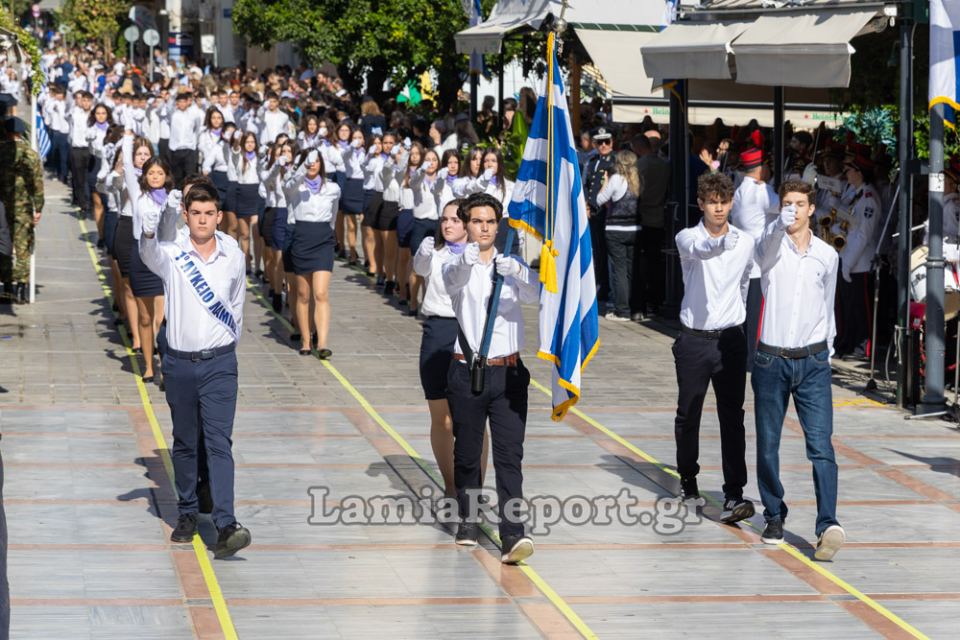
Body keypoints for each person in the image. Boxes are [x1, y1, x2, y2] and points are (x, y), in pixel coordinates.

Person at [139, 181, 252, 559]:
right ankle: (187, 512)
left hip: (220, 362)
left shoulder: (233, 255)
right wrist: (150, 227)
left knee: (220, 443)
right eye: (196, 213)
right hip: (180, 363)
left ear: (219, 217)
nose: (203, 220)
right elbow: (147, 253)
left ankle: (226, 522)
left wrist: (226, 344)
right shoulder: (173, 254)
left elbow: (237, 302)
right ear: (186, 216)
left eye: (209, 213)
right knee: (186, 441)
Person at [442, 192, 538, 564]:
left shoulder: (510, 264)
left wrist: (517, 272)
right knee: (467, 452)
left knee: (510, 455)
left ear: (499, 225)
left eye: (490, 221)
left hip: (509, 372)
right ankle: (468, 517)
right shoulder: (456, 263)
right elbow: (453, 280)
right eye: (477, 221)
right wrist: (468, 259)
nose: (484, 228)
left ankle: (513, 532)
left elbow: (535, 295)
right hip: (467, 370)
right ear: (466, 224)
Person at [752, 180, 845, 561]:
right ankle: (774, 514)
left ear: (811, 209)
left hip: (813, 361)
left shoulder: (826, 255)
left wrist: (827, 350)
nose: (792, 209)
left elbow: (828, 304)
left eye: (799, 203)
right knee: (768, 442)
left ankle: (828, 525)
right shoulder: (771, 247)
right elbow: (762, 252)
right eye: (786, 203)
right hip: (771, 359)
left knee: (821, 445)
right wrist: (777, 223)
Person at [672, 172, 755, 524]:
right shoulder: (688, 237)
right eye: (712, 202)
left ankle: (734, 492)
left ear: (731, 202)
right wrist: (719, 243)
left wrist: (739, 317)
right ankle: (688, 479)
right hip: (695, 338)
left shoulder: (745, 241)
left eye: (724, 201)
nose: (718, 208)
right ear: (701, 204)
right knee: (688, 412)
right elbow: (700, 250)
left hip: (730, 338)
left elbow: (746, 280)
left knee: (732, 416)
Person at [413, 200, 489, 497]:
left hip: (470, 333)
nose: (448, 225)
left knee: (473, 418)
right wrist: (423, 251)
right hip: (438, 331)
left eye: (455, 220)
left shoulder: (481, 256)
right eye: (444, 219)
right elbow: (419, 268)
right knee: (442, 418)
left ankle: (475, 486)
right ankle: (450, 483)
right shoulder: (434, 252)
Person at [284, 148, 341, 358]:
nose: (313, 165)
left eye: (316, 161)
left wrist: (330, 232)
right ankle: (306, 340)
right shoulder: (295, 186)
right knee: (303, 294)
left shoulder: (333, 188)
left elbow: (334, 212)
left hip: (323, 238)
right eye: (309, 162)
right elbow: (287, 186)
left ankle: (323, 341)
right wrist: (302, 166)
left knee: (321, 293)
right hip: (302, 237)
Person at [729, 134, 779, 369]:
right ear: (760, 168)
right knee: (756, 317)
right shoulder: (761, 191)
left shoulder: (741, 190)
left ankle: (744, 357)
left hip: (746, 260)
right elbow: (785, 206)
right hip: (760, 262)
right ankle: (752, 359)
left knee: (746, 313)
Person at [835, 148, 881, 358]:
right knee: (849, 307)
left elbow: (863, 235)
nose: (847, 174)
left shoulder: (869, 198)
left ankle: (864, 347)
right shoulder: (857, 194)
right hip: (848, 256)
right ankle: (850, 343)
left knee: (861, 309)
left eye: (850, 170)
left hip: (860, 261)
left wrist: (848, 263)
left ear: (859, 172)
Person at [0, 117, 44, 305]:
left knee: (3, 245)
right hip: (23, 205)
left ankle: (7, 286)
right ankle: (21, 288)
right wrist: (39, 207)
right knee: (23, 246)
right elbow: (37, 184)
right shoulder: (31, 155)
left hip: (2, 203)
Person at [597, 150, 642, 321]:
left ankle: (622, 309)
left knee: (619, 270)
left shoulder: (616, 179)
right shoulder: (638, 179)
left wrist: (605, 183)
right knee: (632, 270)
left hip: (616, 229)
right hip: (635, 229)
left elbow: (600, 199)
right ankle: (634, 308)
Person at [633, 134, 669, 318]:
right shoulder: (664, 165)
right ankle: (656, 301)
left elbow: (638, 192)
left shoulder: (641, 165)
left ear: (638, 148)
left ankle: (645, 302)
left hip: (644, 217)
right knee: (656, 263)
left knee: (642, 263)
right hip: (660, 217)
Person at [584, 127, 615, 311]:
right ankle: (600, 286)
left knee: (606, 250)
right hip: (594, 212)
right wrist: (587, 205)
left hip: (608, 212)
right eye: (600, 142)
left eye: (607, 141)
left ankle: (606, 287)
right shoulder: (592, 161)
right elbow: (587, 184)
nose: (604, 145)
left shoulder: (615, 160)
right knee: (597, 250)